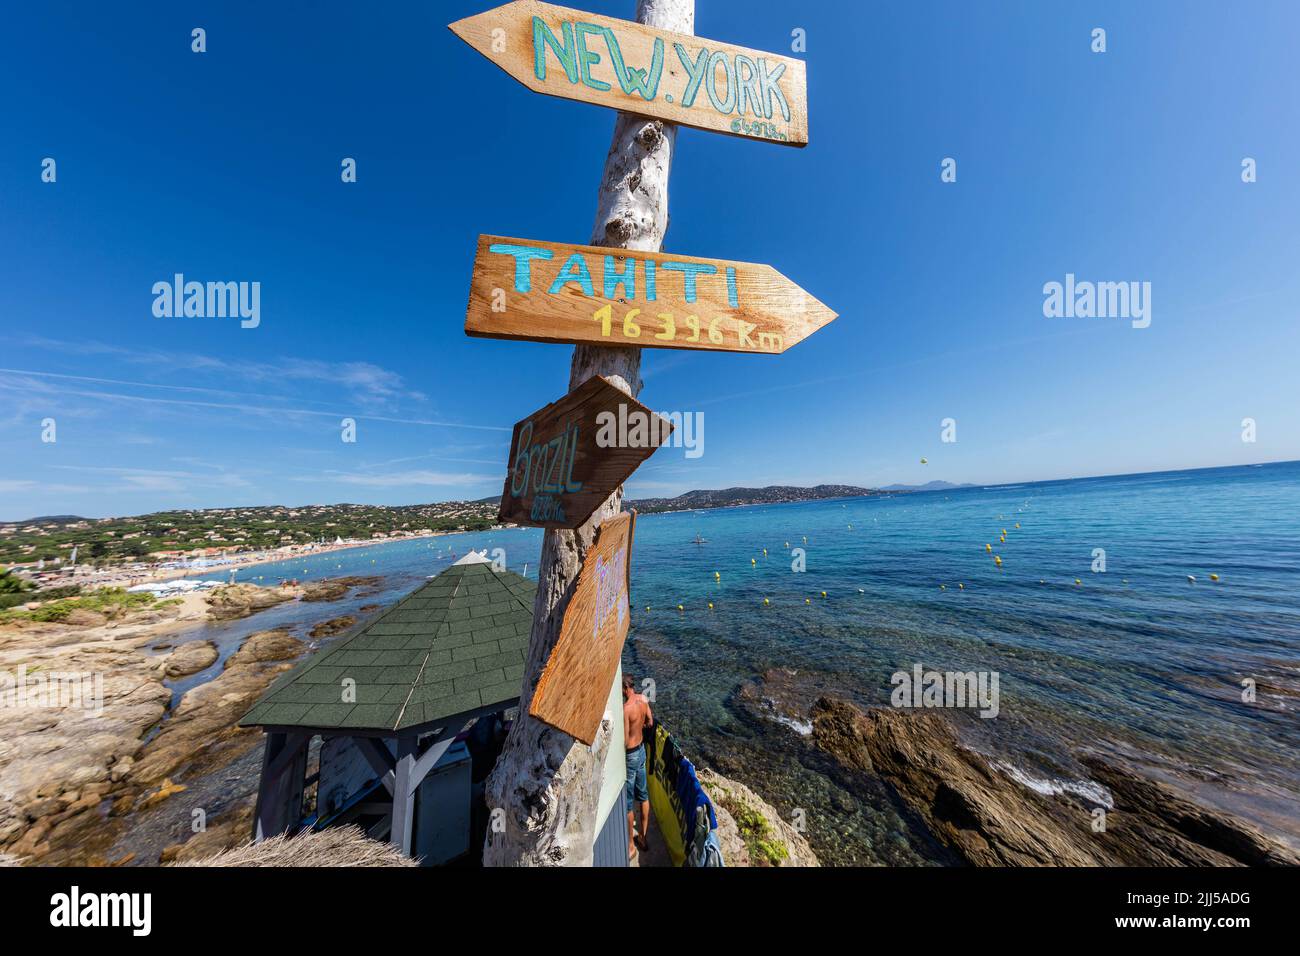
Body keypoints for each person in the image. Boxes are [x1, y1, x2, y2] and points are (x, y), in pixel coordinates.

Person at [623, 673, 654, 860]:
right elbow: (650, 722)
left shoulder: (626, 709)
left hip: (631, 755)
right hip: (642, 751)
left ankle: (631, 846)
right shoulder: (643, 699)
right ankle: (643, 837)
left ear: (625, 689)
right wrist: (640, 727)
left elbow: (626, 742)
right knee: (643, 796)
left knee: (628, 804)